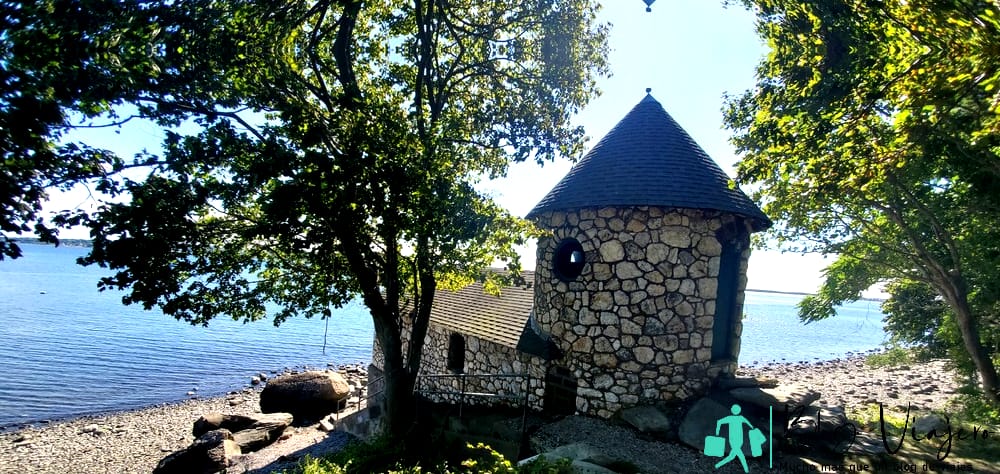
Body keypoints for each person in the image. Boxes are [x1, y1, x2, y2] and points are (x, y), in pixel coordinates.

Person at [715, 403, 754, 472]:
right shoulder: (740, 418)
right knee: (739, 455)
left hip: (735, 439)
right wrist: (752, 428)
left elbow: (719, 422)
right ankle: (746, 470)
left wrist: (717, 432)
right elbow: (748, 423)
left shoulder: (731, 418)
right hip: (736, 440)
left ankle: (718, 465)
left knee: (732, 456)